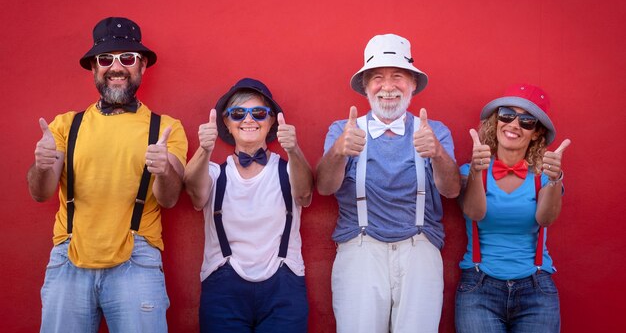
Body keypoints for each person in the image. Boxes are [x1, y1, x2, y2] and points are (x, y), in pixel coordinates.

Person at [26, 17, 188, 333]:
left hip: (136, 258)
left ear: (142, 66)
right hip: (68, 254)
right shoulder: (65, 125)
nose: (116, 67)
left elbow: (169, 200)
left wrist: (163, 168)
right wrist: (43, 165)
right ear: (94, 68)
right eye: (106, 59)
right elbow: (40, 192)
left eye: (127, 58)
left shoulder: (166, 128)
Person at [316, 34, 461, 333]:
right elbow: (325, 187)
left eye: (398, 76)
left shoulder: (435, 131)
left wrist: (437, 153)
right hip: (359, 247)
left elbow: (452, 190)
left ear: (412, 85)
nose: (388, 86)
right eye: (378, 78)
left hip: (420, 248)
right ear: (367, 87)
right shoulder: (342, 130)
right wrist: (339, 150)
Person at [184, 78, 313, 332]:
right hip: (223, 291)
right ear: (226, 123)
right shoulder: (213, 172)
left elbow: (305, 194)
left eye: (259, 113)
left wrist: (294, 149)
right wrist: (204, 149)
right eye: (238, 113)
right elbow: (195, 194)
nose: (249, 120)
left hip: (284, 289)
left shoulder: (288, 170)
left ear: (271, 121)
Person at [455, 83, 570, 333]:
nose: (514, 125)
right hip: (479, 287)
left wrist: (555, 178)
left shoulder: (543, 176)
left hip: (536, 289)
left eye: (527, 121)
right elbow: (474, 213)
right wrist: (476, 170)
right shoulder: (470, 171)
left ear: (537, 133)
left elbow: (546, 219)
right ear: (496, 121)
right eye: (507, 115)